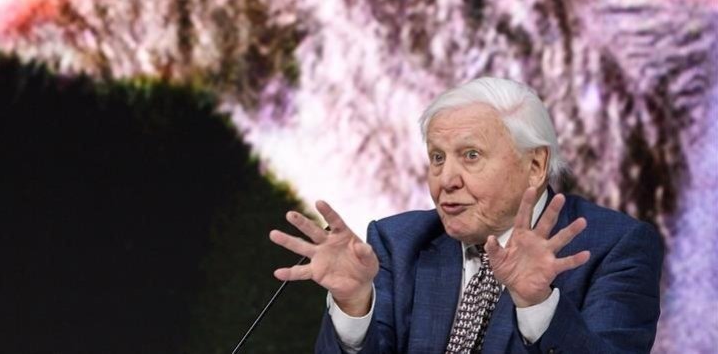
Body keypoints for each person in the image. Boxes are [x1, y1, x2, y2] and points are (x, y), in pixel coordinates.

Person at [270, 77, 662, 353]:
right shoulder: (397, 243)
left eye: (470, 156)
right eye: (437, 158)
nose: (446, 180)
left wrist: (538, 305)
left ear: (535, 166)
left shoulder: (614, 246)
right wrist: (354, 305)